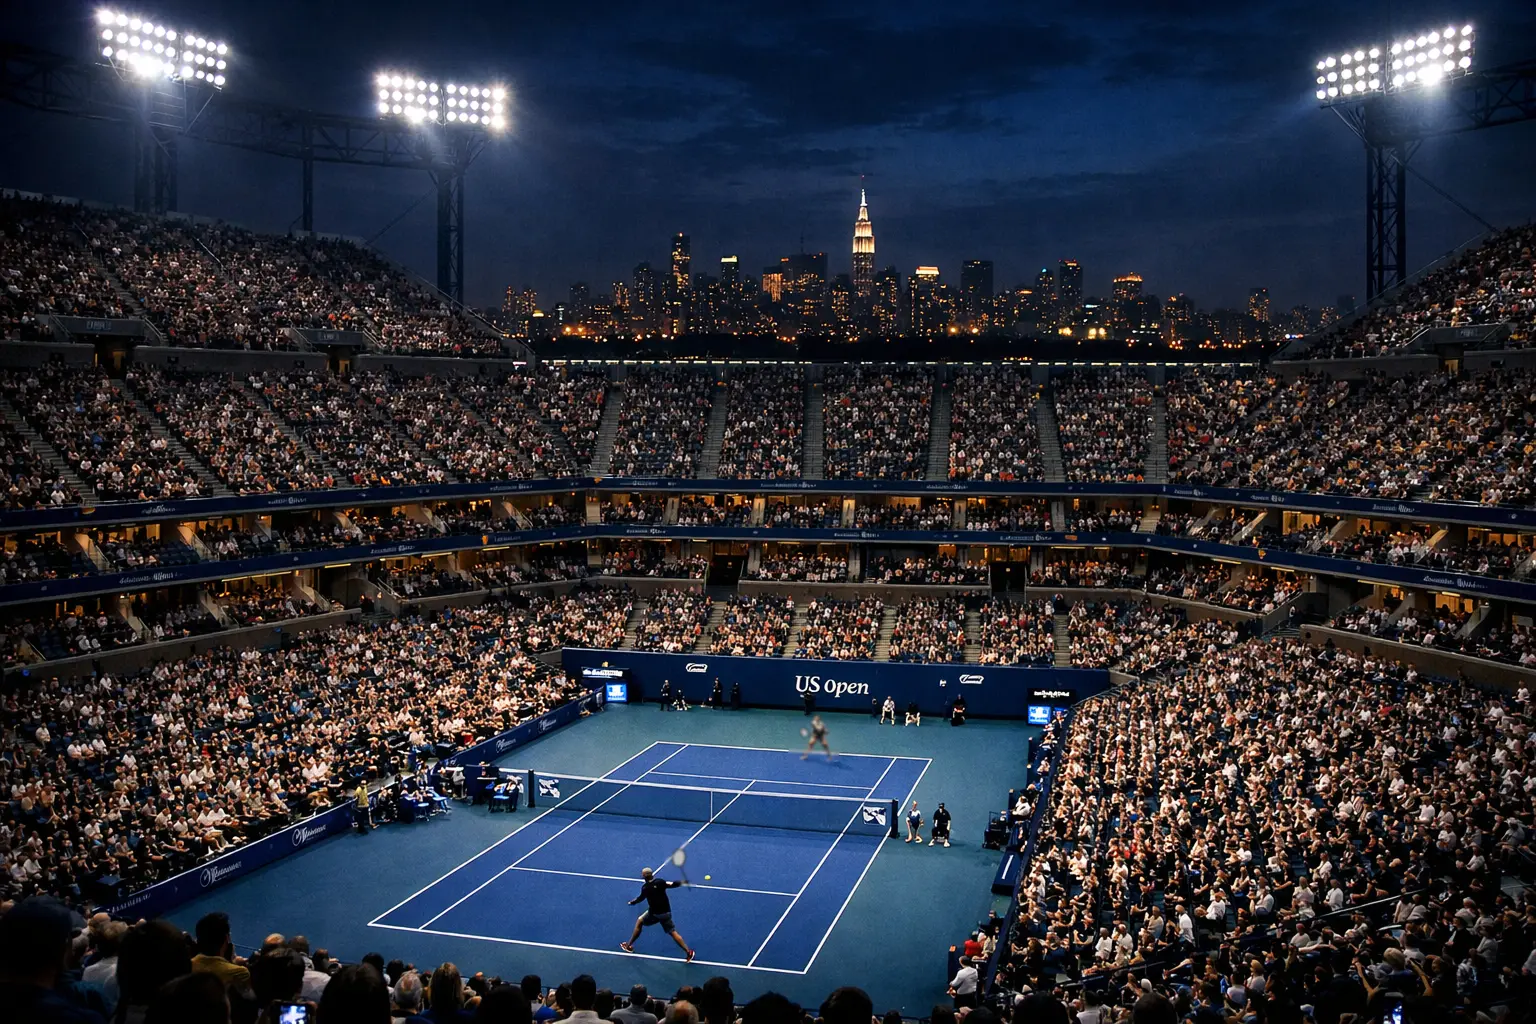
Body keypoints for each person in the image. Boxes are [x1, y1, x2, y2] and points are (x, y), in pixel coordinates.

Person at [620, 867, 695, 962]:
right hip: (666, 913)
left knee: (639, 922)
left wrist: (632, 902)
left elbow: (640, 899)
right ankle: (688, 952)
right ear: (652, 875)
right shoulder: (660, 882)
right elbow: (672, 884)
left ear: (643, 876)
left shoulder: (645, 888)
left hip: (654, 914)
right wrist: (683, 881)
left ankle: (628, 945)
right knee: (673, 932)